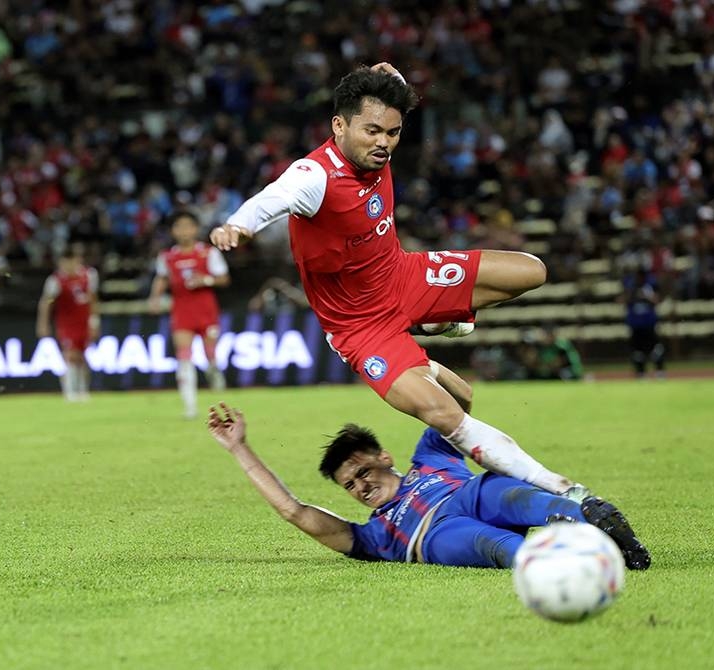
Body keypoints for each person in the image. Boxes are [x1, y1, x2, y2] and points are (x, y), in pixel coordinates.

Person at [210, 63, 573, 496]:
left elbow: (390, 90)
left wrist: (393, 76)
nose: (383, 143)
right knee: (450, 410)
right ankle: (565, 490)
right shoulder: (315, 177)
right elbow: (273, 198)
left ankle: (425, 325)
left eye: (393, 133)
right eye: (372, 131)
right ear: (338, 125)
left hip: (403, 275)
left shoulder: (377, 131)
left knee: (533, 270)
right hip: (360, 325)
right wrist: (238, 224)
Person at [207, 402, 651, 570]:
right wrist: (239, 450)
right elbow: (294, 510)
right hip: (432, 537)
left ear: (385, 458)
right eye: (349, 485)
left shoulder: (429, 457)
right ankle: (559, 566)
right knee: (485, 543)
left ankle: (593, 519)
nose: (359, 486)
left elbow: (456, 404)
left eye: (362, 472)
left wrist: (430, 365)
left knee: (500, 488)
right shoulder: (371, 537)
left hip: (466, 494)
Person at [150, 210, 230, 419]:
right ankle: (190, 406)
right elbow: (161, 279)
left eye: (188, 226)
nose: (184, 231)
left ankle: (215, 375)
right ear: (173, 231)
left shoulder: (207, 253)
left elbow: (223, 278)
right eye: (179, 227)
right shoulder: (167, 257)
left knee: (210, 355)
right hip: (182, 311)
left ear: (195, 229)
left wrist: (205, 280)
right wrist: (155, 298)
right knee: (184, 357)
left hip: (206, 310)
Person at [36, 244, 100, 401]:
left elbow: (93, 299)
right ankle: (70, 392)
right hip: (66, 324)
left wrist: (95, 321)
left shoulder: (89, 275)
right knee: (70, 355)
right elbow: (46, 303)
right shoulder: (56, 281)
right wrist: (43, 323)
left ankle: (83, 390)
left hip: (83, 322)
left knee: (82, 357)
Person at [621, 268, 665, 378]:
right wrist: (632, 295)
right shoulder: (631, 287)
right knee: (637, 352)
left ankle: (659, 372)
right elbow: (621, 300)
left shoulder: (650, 287)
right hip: (636, 326)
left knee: (656, 349)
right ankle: (640, 373)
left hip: (649, 325)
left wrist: (646, 296)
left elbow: (658, 300)